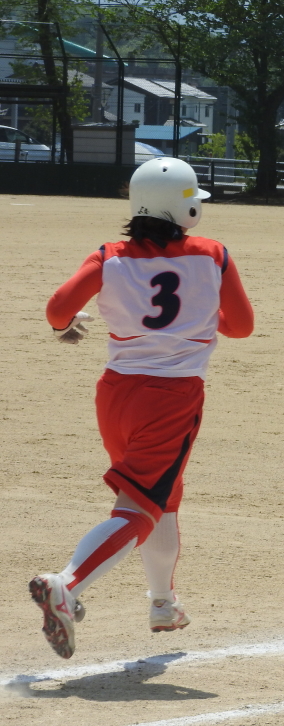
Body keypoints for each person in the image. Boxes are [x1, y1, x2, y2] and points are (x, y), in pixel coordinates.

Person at [31, 157, 254, 659]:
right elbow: (241, 326)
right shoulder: (212, 254)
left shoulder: (109, 255)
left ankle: (163, 602)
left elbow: (58, 310)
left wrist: (66, 326)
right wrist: (203, 313)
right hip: (172, 397)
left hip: (115, 394)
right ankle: (67, 583)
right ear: (186, 208)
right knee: (139, 507)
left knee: (161, 497)